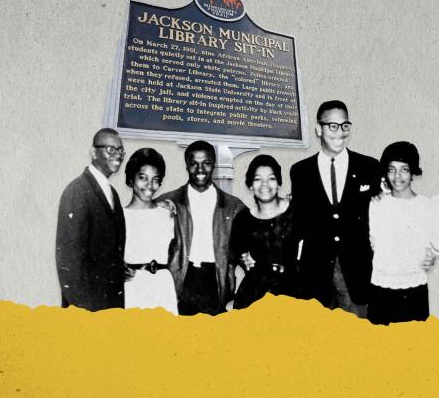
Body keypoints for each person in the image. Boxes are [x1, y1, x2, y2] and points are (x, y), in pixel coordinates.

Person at [290, 100, 381, 318]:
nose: (339, 132)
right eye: (332, 126)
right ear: (318, 129)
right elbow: (298, 226)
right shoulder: (300, 172)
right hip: (315, 278)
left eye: (345, 125)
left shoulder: (369, 167)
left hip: (357, 277)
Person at [156, 140, 246, 316]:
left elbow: (246, 254)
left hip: (217, 281)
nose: (200, 169)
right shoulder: (168, 202)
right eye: (193, 163)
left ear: (214, 164)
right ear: (186, 165)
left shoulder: (233, 207)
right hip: (181, 280)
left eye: (206, 163)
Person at [366, 141, 439, 325]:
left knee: (413, 348)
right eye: (391, 169)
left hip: (414, 290)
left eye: (404, 169)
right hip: (380, 288)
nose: (397, 176)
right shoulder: (375, 205)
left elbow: (438, 245)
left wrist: (432, 256)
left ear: (413, 172)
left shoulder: (428, 206)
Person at [54, 128, 126, 311]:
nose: (117, 155)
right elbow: (69, 263)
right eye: (111, 149)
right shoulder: (77, 191)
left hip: (110, 308)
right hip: (87, 312)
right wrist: (82, 315)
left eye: (120, 151)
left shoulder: (113, 194)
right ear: (94, 152)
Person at [229, 154, 299, 309]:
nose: (265, 184)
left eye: (271, 178)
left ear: (279, 183)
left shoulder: (296, 213)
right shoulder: (242, 219)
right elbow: (240, 254)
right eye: (258, 179)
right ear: (250, 185)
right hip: (254, 297)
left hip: (293, 294)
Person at [122, 148, 181, 315]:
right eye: (143, 178)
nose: (149, 185)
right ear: (131, 179)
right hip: (134, 287)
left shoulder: (167, 213)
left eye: (155, 180)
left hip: (163, 288)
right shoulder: (120, 217)